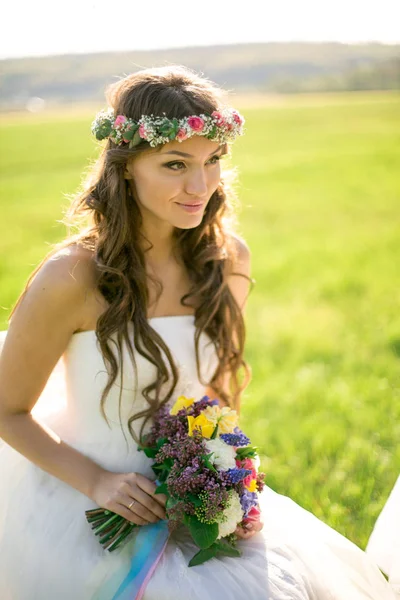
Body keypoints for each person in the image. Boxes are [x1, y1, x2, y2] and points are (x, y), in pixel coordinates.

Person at [0, 64, 396, 600]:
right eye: (175, 164)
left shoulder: (227, 261)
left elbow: (217, 395)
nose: (200, 186)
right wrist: (98, 482)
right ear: (125, 167)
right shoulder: (72, 277)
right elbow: (8, 410)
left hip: (197, 502)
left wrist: (226, 485)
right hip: (88, 502)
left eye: (212, 162)